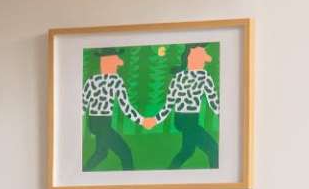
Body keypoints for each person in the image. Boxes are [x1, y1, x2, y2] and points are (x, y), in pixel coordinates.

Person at [155, 41, 222, 171]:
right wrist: (155, 119)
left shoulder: (200, 76)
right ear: (192, 57)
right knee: (213, 150)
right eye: (202, 56)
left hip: (186, 120)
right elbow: (169, 104)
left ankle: (169, 172)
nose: (206, 60)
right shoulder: (191, 77)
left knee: (187, 151)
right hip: (186, 121)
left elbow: (213, 102)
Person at [81, 51, 139, 172]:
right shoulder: (115, 80)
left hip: (94, 123)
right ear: (108, 63)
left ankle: (84, 172)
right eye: (115, 63)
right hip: (102, 123)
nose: (117, 66)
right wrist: (142, 121)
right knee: (125, 152)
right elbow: (126, 107)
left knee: (101, 153)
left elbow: (82, 106)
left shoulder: (92, 80)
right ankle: (130, 180)